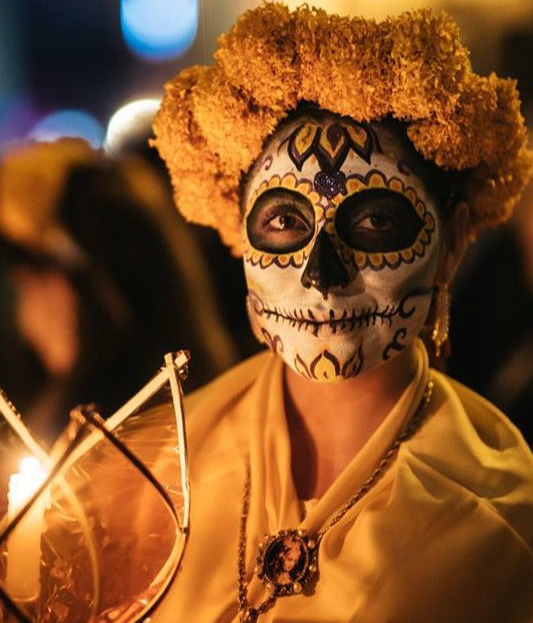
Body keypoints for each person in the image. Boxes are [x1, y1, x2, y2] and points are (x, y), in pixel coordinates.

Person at [150, 4, 533, 622]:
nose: (321, 276)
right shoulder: (164, 467)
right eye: (282, 221)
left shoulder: (501, 520)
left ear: (453, 243)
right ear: (237, 232)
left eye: (376, 220)